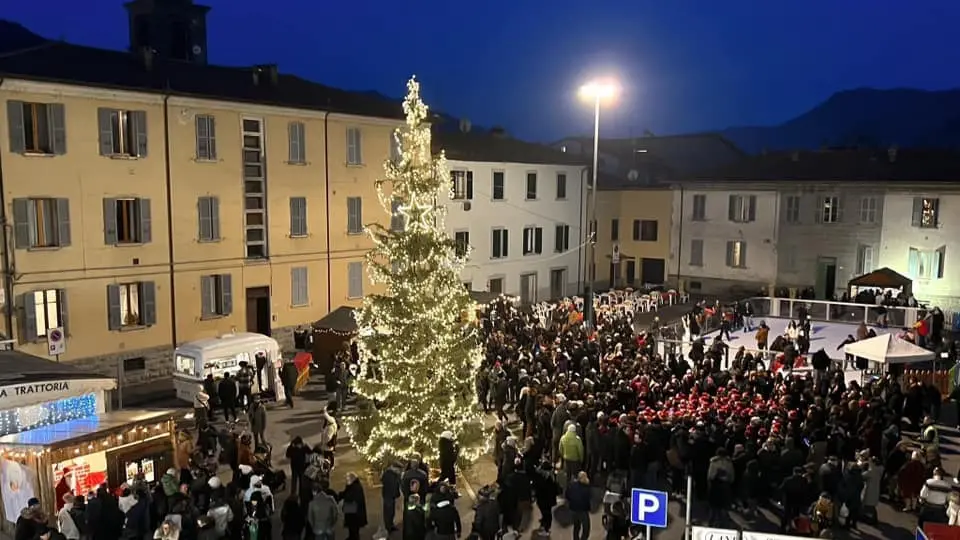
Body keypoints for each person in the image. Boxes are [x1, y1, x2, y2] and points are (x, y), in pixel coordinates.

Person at [339, 473, 367, 540]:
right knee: (351, 527)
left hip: (355, 513)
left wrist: (346, 508)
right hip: (352, 512)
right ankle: (351, 537)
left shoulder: (356, 488)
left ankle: (353, 538)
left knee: (354, 528)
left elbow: (355, 501)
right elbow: (345, 493)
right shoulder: (352, 486)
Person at [566, 471, 591, 540]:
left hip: (573, 509)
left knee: (576, 527)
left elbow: (567, 495)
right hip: (582, 510)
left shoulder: (572, 485)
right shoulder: (586, 487)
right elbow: (588, 497)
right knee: (586, 528)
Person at [381, 461, 402, 533]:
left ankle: (390, 525)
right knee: (388, 512)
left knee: (391, 512)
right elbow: (392, 486)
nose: (399, 471)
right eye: (398, 469)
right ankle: (388, 527)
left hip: (391, 496)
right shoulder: (388, 475)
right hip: (388, 495)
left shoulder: (394, 474)